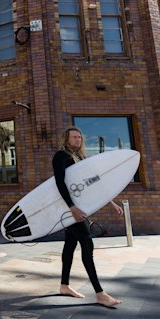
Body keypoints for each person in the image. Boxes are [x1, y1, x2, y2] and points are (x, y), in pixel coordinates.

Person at [53, 126, 122, 307]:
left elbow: (94, 184)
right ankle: (99, 293)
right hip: (71, 208)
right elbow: (59, 183)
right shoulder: (61, 156)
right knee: (86, 241)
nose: (78, 140)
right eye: (74, 137)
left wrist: (111, 202)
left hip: (79, 208)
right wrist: (71, 207)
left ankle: (64, 285)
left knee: (70, 245)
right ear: (66, 139)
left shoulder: (82, 159)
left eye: (80, 137)